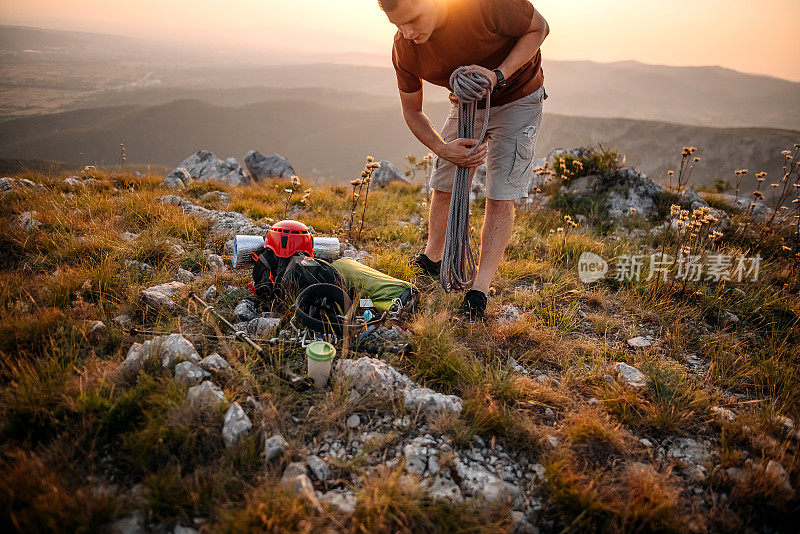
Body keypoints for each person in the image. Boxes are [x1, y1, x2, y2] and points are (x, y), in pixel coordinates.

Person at [378, 0, 550, 321]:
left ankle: (479, 290)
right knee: (444, 182)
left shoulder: (484, 6)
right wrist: (443, 149)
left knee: (500, 194)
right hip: (467, 103)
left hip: (517, 97)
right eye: (398, 25)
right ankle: (433, 257)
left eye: (414, 19)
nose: (408, 32)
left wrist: (498, 75)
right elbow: (412, 111)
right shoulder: (405, 48)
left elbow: (539, 28)